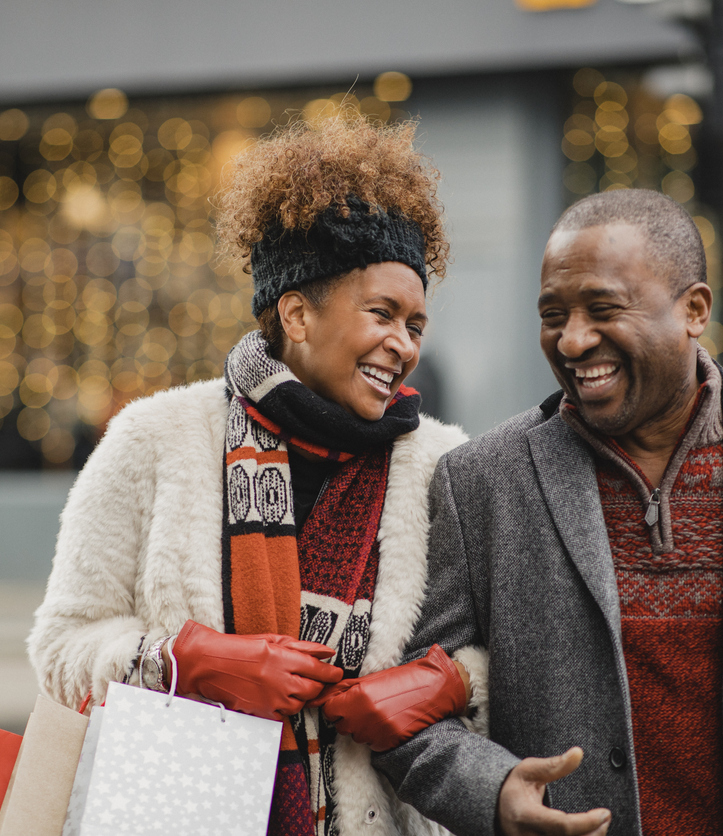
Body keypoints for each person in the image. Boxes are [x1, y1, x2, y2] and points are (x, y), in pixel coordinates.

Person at [372, 189, 723, 836]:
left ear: (694, 310)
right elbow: (408, 704)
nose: (573, 339)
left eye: (603, 309)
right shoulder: (480, 481)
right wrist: (493, 791)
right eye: (553, 314)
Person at [28, 112, 479, 836]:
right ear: (297, 314)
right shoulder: (155, 439)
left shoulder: (443, 465)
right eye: (382, 314)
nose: (402, 345)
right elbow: (62, 646)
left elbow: (497, 648)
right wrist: (189, 659)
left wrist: (447, 682)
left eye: (416, 325)